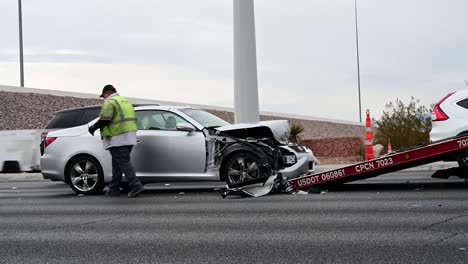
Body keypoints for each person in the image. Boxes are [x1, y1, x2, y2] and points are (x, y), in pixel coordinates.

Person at [88, 84, 144, 198]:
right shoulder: (125, 101)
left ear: (107, 93)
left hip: (117, 135)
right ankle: (114, 188)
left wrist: (93, 127)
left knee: (123, 161)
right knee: (117, 163)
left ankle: (135, 185)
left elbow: (105, 119)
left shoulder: (110, 102)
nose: (104, 98)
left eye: (103, 96)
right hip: (130, 134)